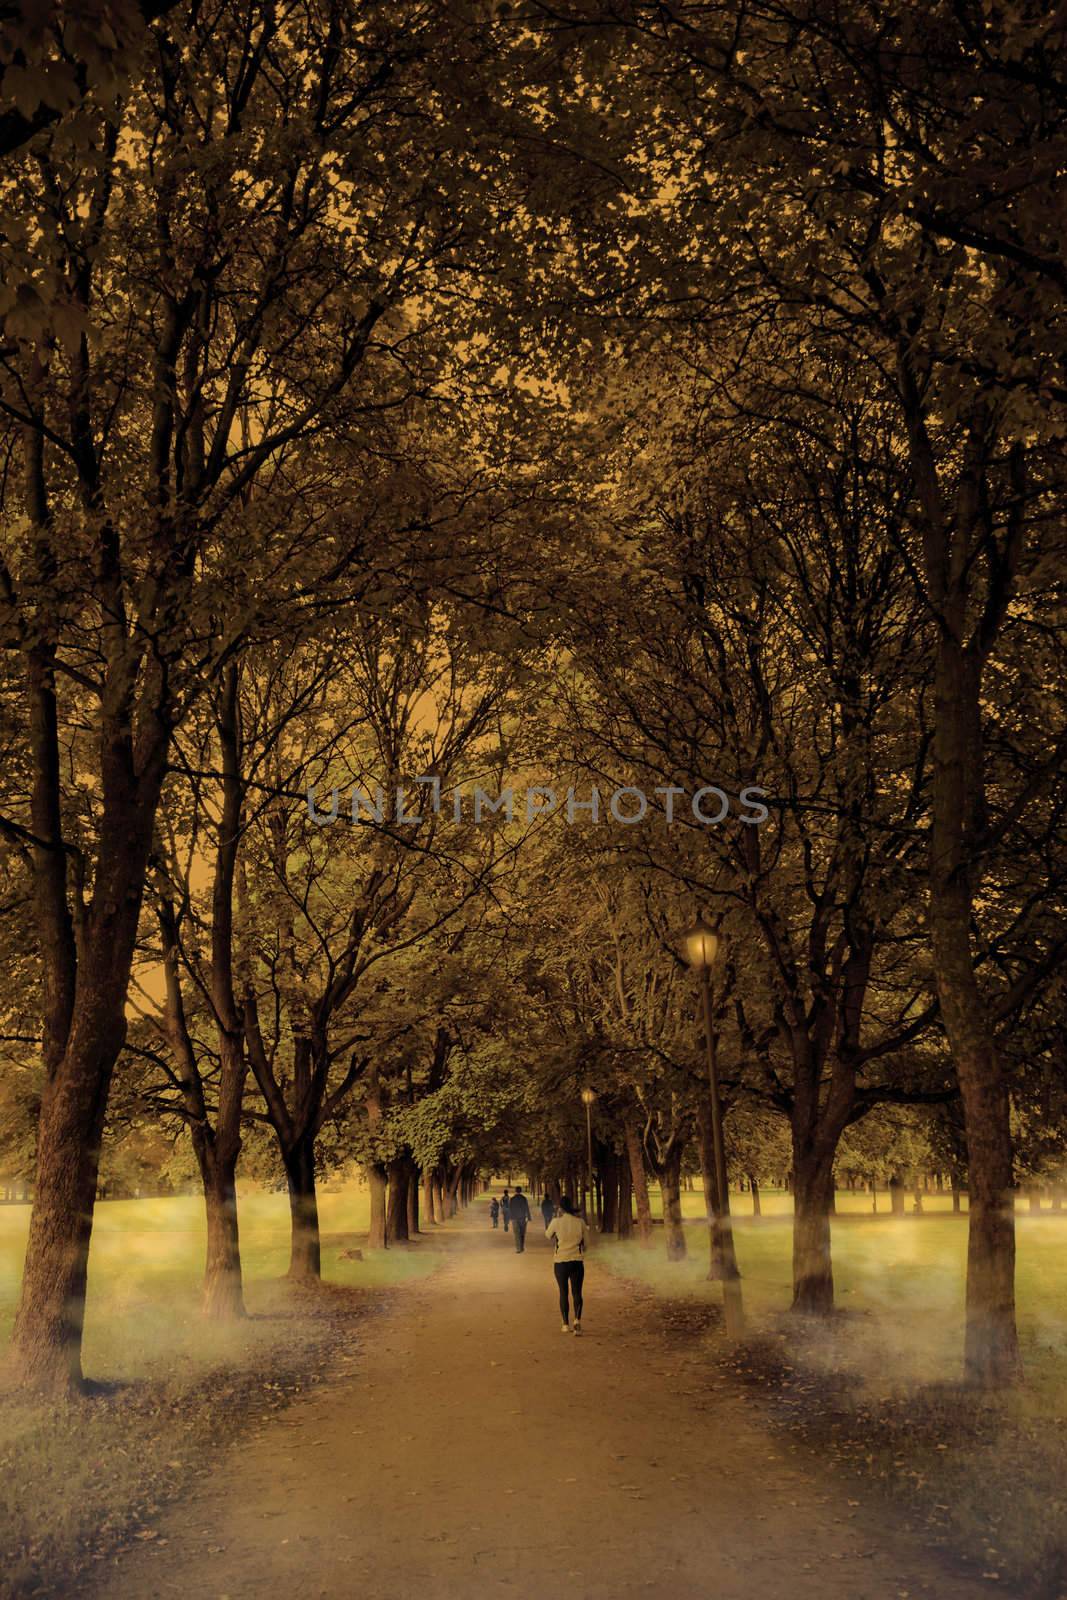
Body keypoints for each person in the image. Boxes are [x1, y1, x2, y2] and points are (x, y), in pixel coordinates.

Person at [545, 1196, 588, 1334]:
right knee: (577, 1292)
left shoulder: (556, 1222)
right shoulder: (580, 1222)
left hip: (560, 1262)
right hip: (576, 1261)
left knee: (563, 1292)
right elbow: (586, 1243)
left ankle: (565, 1324)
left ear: (560, 1208)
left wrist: (556, 1218)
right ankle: (577, 1320)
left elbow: (548, 1235)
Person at [509, 1185, 531, 1252]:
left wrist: (510, 1217)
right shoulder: (524, 1198)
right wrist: (529, 1217)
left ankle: (518, 1248)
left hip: (514, 1218)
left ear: (515, 1191)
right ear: (521, 1191)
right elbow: (527, 1208)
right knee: (522, 1233)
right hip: (522, 1218)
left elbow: (510, 1209)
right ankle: (522, 1247)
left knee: (516, 1234)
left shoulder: (512, 1199)